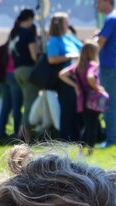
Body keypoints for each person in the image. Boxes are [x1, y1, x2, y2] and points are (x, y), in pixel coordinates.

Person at [59, 43, 106, 150]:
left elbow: (62, 74)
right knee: (93, 125)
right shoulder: (93, 65)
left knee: (86, 124)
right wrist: (98, 87)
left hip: (81, 100)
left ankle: (81, 147)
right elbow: (90, 76)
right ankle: (90, 149)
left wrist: (75, 85)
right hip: (93, 99)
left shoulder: (78, 66)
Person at [95, 0, 116, 147]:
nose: (96, 4)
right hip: (114, 67)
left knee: (109, 104)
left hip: (108, 67)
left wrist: (88, 56)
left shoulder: (111, 18)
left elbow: (100, 42)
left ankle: (112, 139)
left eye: (99, 2)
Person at [45, 12, 82, 142]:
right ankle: (66, 138)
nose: (68, 24)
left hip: (77, 78)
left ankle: (77, 136)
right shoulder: (53, 40)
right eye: (66, 22)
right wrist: (69, 56)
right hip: (64, 80)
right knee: (67, 108)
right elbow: (51, 59)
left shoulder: (69, 38)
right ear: (60, 24)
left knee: (77, 108)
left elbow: (82, 50)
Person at [9, 9, 40, 141]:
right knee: (29, 104)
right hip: (28, 71)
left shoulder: (14, 33)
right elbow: (34, 55)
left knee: (26, 102)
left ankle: (21, 134)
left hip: (17, 71)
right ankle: (26, 138)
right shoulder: (28, 34)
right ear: (29, 18)